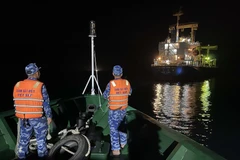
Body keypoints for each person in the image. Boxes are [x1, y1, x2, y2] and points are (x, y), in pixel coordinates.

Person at [13, 63, 52, 160]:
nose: (39, 72)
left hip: (23, 118)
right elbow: (46, 103)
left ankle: (21, 157)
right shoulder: (39, 85)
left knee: (23, 141)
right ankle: (42, 158)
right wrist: (49, 116)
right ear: (36, 73)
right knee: (41, 141)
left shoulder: (18, 84)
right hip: (37, 118)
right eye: (38, 71)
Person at [103, 65, 132, 156]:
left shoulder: (111, 84)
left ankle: (116, 149)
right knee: (122, 126)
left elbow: (104, 95)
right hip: (123, 110)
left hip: (114, 111)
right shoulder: (127, 82)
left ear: (113, 73)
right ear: (121, 74)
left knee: (114, 129)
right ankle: (123, 143)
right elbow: (130, 92)